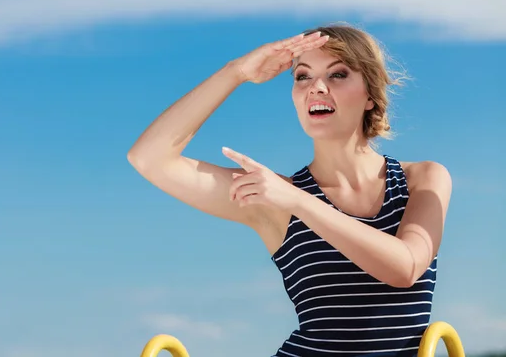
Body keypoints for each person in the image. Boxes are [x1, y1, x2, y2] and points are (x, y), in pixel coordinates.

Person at [127, 24, 452, 356]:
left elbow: (405, 267)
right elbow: (149, 159)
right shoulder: (274, 197)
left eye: (338, 74)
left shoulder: (422, 179)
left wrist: (300, 201)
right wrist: (236, 72)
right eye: (303, 76)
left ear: (370, 94)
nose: (316, 87)